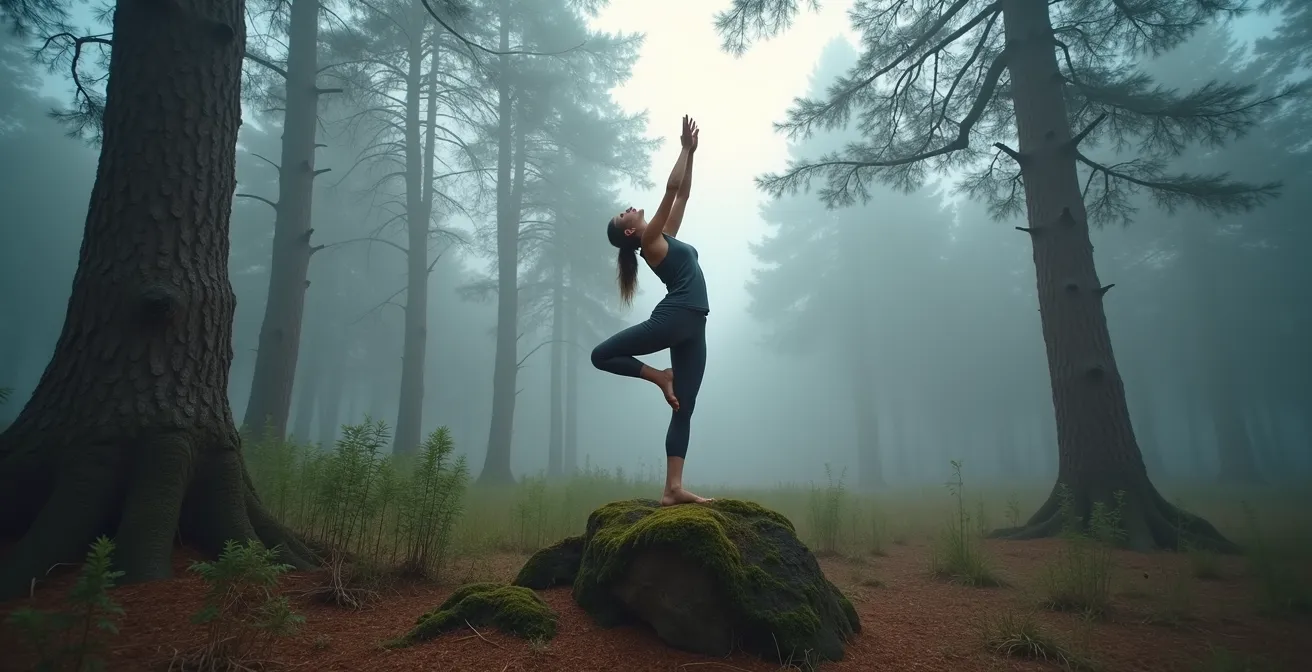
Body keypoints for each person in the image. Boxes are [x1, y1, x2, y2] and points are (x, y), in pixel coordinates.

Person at [591, 115, 712, 507]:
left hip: (695, 325)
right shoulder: (651, 239)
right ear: (629, 231)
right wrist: (681, 148)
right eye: (622, 214)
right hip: (675, 316)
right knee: (601, 355)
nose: (628, 208)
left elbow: (684, 195)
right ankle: (660, 377)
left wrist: (692, 154)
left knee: (686, 406)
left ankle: (672, 489)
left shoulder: (665, 235)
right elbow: (671, 187)